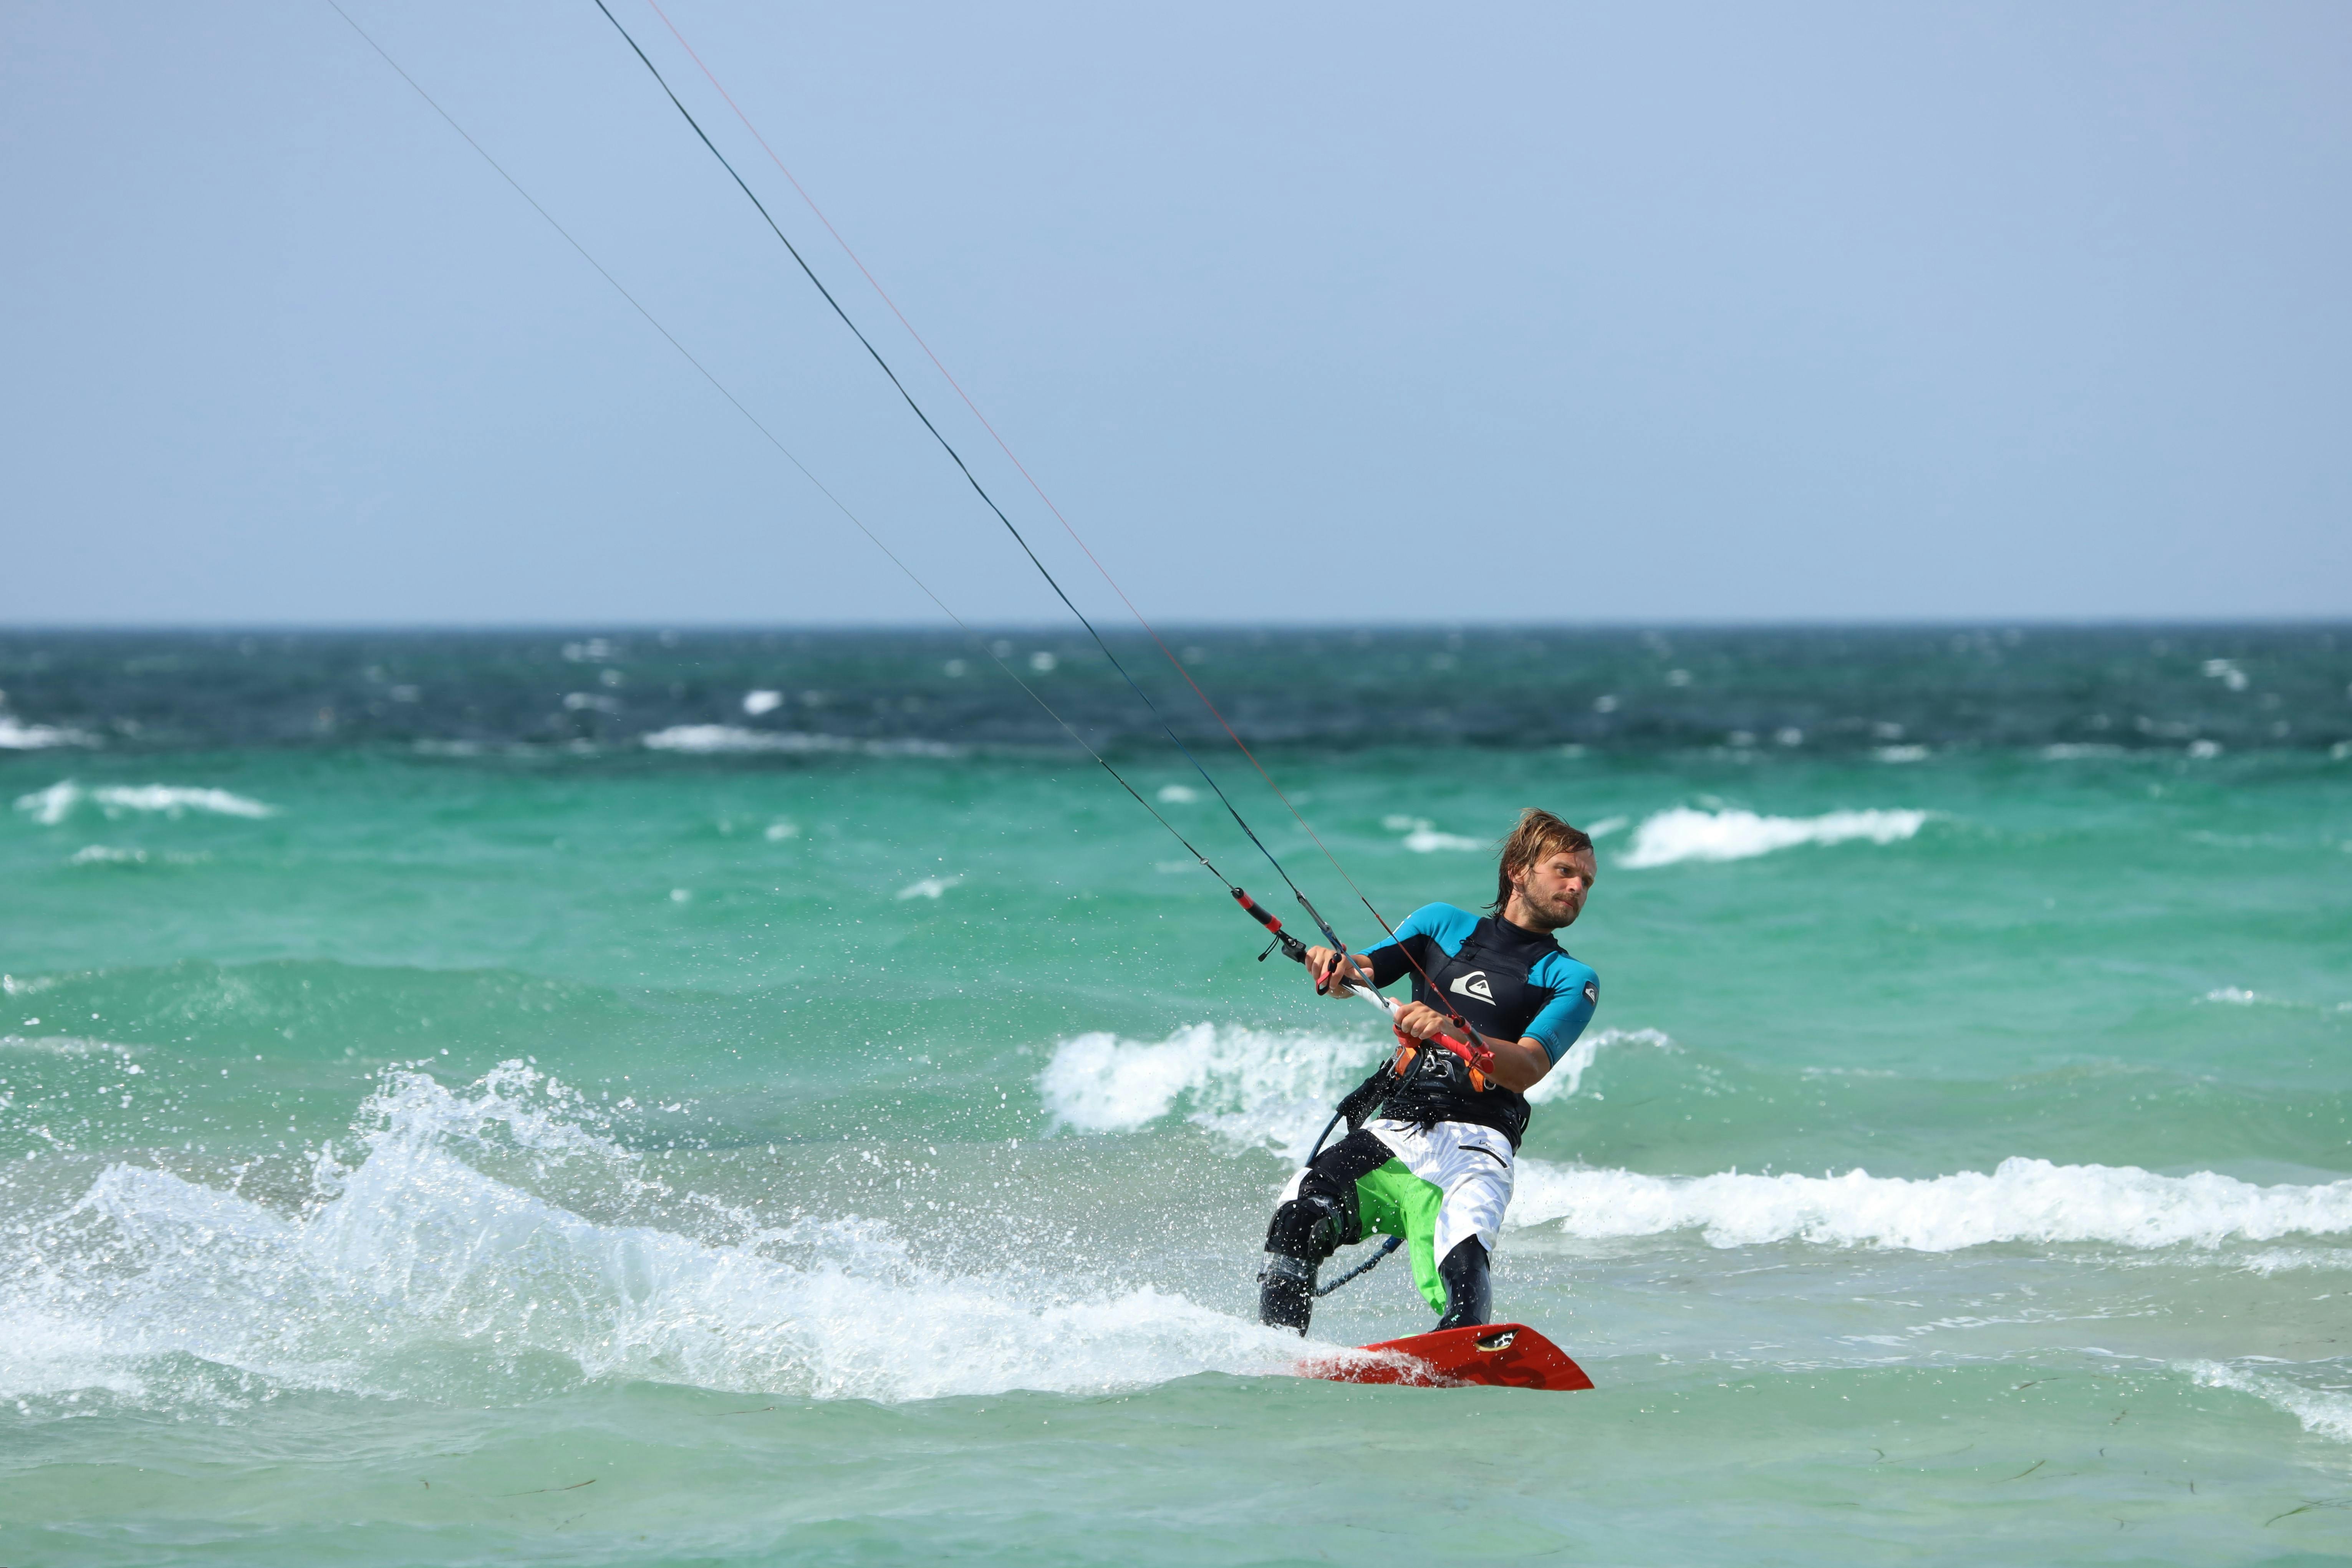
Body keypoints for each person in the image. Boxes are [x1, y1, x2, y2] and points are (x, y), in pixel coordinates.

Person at [1257, 808, 1599, 1335]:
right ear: (1519, 870)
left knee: (1464, 1275)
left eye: (1586, 881)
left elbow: (1528, 1066)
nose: (1577, 887)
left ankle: (1462, 1352)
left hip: (1477, 1146)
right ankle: (1276, 1351)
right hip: (1396, 1129)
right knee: (1299, 1211)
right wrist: (1336, 967)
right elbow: (1364, 972)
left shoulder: (1570, 978)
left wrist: (1455, 1030)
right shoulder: (1441, 924)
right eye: (1565, 871)